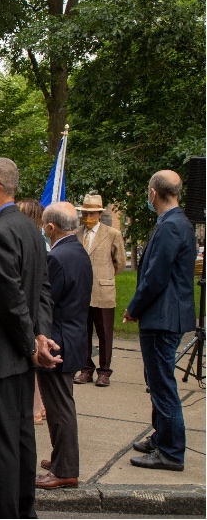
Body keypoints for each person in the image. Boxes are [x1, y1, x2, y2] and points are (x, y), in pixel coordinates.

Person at [0, 157, 59, 518]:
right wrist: (40, 336)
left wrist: (30, 344)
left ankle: (6, 510)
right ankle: (20, 508)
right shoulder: (29, 230)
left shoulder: (3, 232)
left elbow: (11, 299)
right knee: (20, 438)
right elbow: (41, 292)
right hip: (16, 357)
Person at [124, 170, 196, 472]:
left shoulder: (171, 227)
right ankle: (161, 436)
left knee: (162, 385)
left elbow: (155, 276)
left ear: (154, 192)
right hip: (166, 315)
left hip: (162, 317)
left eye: (148, 190)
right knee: (157, 382)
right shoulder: (177, 223)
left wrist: (134, 307)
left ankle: (170, 451)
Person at [35, 202, 93, 489]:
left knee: (59, 409)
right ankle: (61, 458)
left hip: (58, 341)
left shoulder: (57, 257)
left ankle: (65, 469)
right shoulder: (78, 251)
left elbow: (47, 301)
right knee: (60, 404)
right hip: (73, 336)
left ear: (51, 227)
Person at [74, 194, 126, 387]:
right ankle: (85, 368)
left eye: (92, 213)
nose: (88, 216)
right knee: (82, 332)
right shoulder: (76, 233)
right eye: (85, 213)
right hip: (80, 292)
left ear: (99, 214)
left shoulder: (112, 233)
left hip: (102, 290)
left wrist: (106, 276)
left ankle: (104, 371)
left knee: (104, 333)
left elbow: (119, 263)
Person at [17, 198, 48, 425]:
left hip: (33, 310)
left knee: (34, 359)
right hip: (29, 308)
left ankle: (37, 405)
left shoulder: (38, 244)